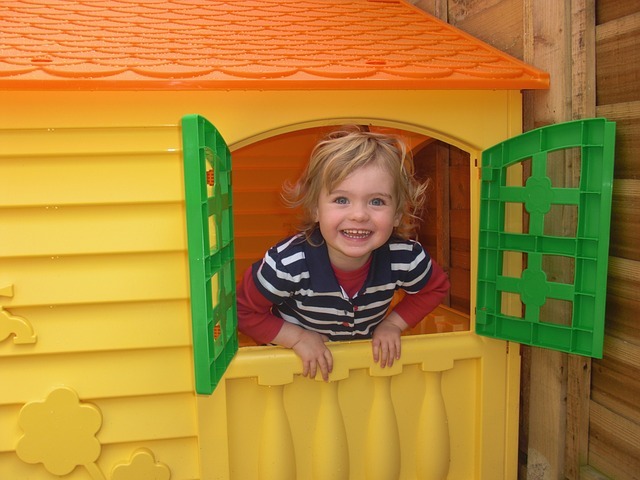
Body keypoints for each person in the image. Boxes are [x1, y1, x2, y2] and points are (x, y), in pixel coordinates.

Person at [236, 126, 450, 381]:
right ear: (315, 209)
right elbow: (241, 311)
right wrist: (297, 338)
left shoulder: (404, 257)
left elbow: (435, 287)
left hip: (358, 370)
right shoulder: (286, 264)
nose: (359, 215)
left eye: (377, 201)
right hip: (293, 371)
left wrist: (392, 324)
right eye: (341, 200)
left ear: (397, 214)